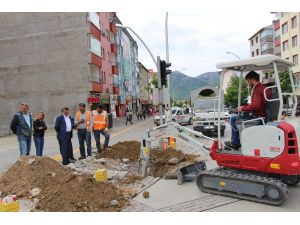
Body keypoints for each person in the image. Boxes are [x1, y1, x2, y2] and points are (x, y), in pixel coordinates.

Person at [225, 71, 271, 150]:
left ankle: (235, 143)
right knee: (238, 117)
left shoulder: (257, 89)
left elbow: (256, 106)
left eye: (248, 82)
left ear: (252, 80)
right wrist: (246, 107)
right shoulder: (264, 88)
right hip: (262, 115)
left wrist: (242, 108)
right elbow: (257, 104)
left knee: (233, 118)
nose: (248, 84)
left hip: (257, 117)